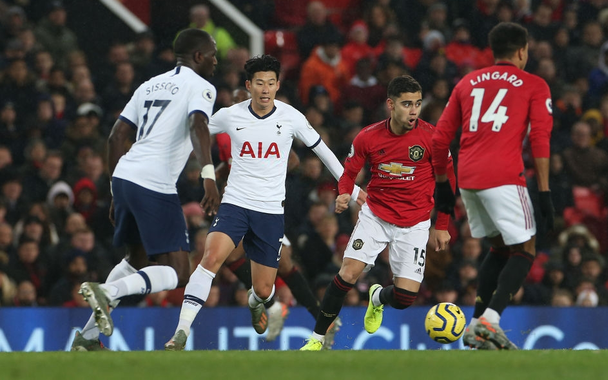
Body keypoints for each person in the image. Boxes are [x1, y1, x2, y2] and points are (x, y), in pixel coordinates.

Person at [165, 54, 366, 350]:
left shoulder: (291, 117)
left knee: (263, 289)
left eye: (270, 83)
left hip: (270, 212)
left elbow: (322, 151)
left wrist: (352, 186)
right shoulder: (230, 115)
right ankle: (181, 332)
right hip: (234, 204)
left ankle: (257, 301)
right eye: (259, 83)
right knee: (210, 259)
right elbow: (194, 131)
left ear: (277, 85)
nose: (265, 89)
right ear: (249, 85)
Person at [70, 28, 221, 351]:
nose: (216, 61)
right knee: (179, 272)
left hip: (125, 176)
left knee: (136, 257)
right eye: (212, 54)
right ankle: (106, 292)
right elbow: (198, 125)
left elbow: (115, 138)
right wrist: (208, 175)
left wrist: (114, 190)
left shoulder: (149, 84)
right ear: (198, 56)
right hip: (154, 183)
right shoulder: (202, 87)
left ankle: (86, 338)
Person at [300, 75, 455, 351]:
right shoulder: (368, 136)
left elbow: (448, 182)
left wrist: (441, 224)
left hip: (416, 223)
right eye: (407, 104)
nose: (414, 110)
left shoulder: (433, 138)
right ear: (390, 105)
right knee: (347, 274)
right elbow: (349, 171)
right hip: (376, 216)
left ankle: (377, 299)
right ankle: (317, 339)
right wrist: (345, 192)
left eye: (418, 104)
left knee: (406, 297)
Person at [432, 22, 554, 350]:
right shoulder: (534, 84)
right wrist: (544, 191)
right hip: (503, 175)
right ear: (521, 51)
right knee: (526, 249)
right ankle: (492, 320)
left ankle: (474, 326)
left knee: (499, 249)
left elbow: (439, 139)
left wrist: (443, 185)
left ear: (493, 51)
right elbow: (540, 139)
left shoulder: (467, 82)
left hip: (469, 177)